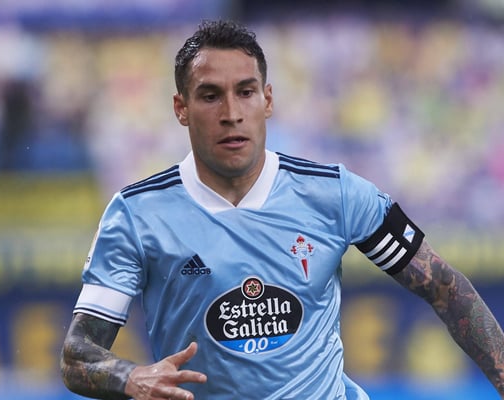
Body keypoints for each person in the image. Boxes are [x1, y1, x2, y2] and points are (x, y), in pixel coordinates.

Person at [60, 20, 504, 399]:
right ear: (181, 108)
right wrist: (130, 377)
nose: (231, 113)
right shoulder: (137, 215)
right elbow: (77, 354)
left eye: (246, 92)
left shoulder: (335, 194)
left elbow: (445, 287)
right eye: (210, 95)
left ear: (267, 100)